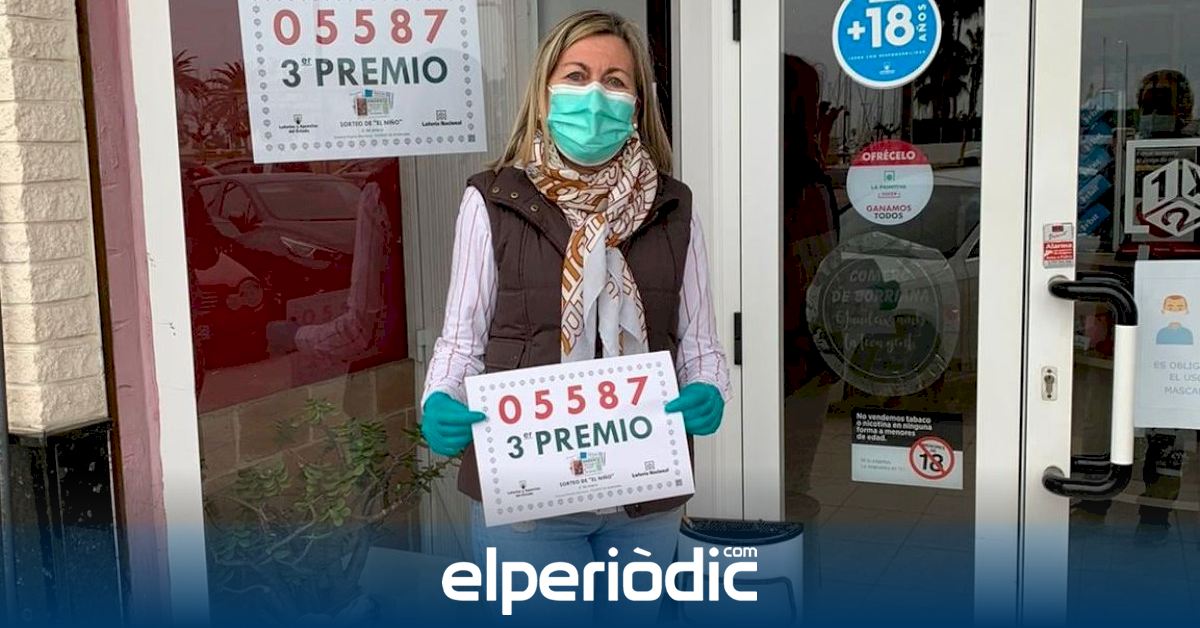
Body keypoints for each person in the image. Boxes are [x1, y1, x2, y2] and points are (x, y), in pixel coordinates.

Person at [419, 10, 730, 621]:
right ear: (544, 92)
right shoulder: (492, 200)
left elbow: (699, 343)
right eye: (577, 76)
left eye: (615, 81)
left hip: (644, 494)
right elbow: (462, 339)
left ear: (637, 104)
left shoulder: (673, 206)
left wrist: (708, 388)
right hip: (528, 495)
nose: (595, 97)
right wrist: (440, 398)